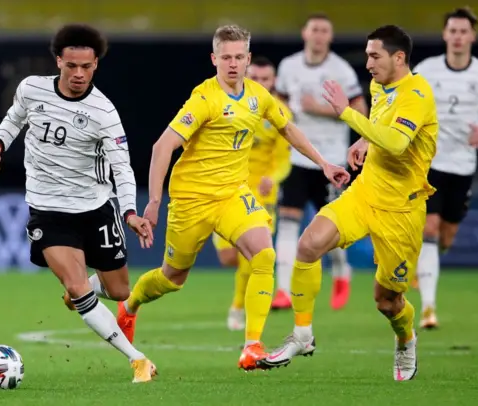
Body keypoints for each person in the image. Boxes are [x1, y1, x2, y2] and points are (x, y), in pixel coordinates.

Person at [115, 24, 350, 371]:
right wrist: (152, 201)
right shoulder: (204, 99)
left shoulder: (259, 96)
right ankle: (130, 305)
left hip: (233, 195)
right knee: (172, 278)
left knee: (265, 254)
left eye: (239, 57)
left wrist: (324, 163)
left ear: (248, 59)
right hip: (191, 200)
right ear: (214, 59)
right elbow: (162, 146)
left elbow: (288, 128)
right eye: (226, 57)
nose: (233, 63)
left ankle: (252, 345)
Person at [260, 25, 438, 381]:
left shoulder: (417, 93)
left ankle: (406, 339)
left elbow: (398, 142)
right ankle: (302, 334)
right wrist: (362, 141)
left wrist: (346, 114)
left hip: (401, 209)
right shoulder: (379, 86)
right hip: (365, 192)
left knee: (387, 301)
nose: (368, 63)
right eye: (368, 55)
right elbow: (378, 128)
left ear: (399, 58)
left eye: (375, 56)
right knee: (308, 244)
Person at [0, 24, 157, 384]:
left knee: (120, 290)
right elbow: (15, 118)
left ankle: (85, 292)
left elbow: (121, 167)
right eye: (71, 66)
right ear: (58, 60)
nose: (78, 74)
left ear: (96, 66)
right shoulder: (31, 88)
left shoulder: (103, 112)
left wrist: (129, 212)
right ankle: (138, 359)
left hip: (95, 207)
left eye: (86, 67)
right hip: (48, 209)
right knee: (76, 286)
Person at [412, 7, 478, 329]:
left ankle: (423, 266)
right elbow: (406, 102)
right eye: (452, 31)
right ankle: (428, 308)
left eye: (463, 32)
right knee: (430, 227)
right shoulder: (425, 70)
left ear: (472, 37)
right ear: (444, 35)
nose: (457, 37)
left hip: (463, 164)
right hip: (429, 161)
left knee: (446, 236)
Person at [273, 13, 368, 311]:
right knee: (287, 221)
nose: (318, 35)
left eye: (324, 31)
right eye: (314, 29)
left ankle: (341, 271)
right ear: (305, 33)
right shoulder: (289, 66)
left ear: (330, 36)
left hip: (331, 159)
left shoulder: (340, 70)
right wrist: (285, 110)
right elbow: (278, 100)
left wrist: (320, 109)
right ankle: (283, 290)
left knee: (331, 228)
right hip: (296, 157)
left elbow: (360, 109)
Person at [210, 55, 293, 331]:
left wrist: (273, 176)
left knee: (254, 253)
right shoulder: (226, 105)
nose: (259, 83)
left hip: (261, 193)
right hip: (228, 187)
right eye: (254, 78)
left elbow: (283, 157)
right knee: (227, 257)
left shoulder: (279, 113)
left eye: (265, 79)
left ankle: (237, 308)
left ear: (274, 82)